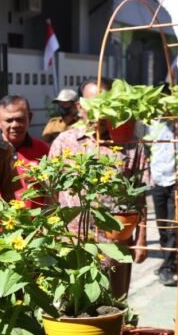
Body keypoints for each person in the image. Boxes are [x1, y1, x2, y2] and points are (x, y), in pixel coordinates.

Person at [49, 78, 148, 299]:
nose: (98, 113)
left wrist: (141, 240)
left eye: (105, 105)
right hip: (73, 243)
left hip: (115, 243)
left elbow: (140, 196)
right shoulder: (64, 142)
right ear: (79, 107)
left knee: (115, 302)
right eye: (92, 105)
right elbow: (52, 194)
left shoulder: (131, 144)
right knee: (74, 304)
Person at [147, 118, 178, 286]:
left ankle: (167, 267)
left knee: (173, 225)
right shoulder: (150, 123)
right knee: (162, 226)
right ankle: (170, 261)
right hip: (158, 179)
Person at [0, 95, 50, 207]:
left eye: (20, 119)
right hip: (1, 223)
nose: (15, 125)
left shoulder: (43, 150)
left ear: (29, 118)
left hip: (36, 223)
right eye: (9, 120)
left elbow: (51, 191)